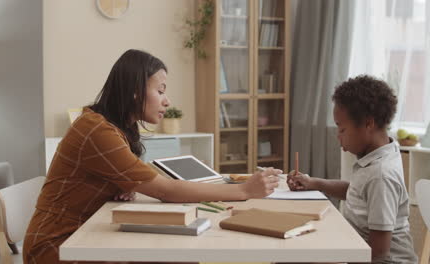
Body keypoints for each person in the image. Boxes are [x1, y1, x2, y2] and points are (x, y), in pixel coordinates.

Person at [23, 49, 281, 264]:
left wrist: (117, 186)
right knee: (172, 256)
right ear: (136, 91)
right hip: (56, 246)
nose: (167, 101)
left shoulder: (112, 128)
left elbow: (148, 184)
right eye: (160, 90)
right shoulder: (97, 130)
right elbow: (165, 190)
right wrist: (244, 190)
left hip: (83, 234)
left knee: (173, 254)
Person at [287, 75, 417, 264]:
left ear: (368, 123)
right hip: (358, 251)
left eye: (342, 129)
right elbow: (356, 191)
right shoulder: (380, 155)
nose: (338, 137)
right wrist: (313, 183)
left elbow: (378, 255)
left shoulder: (381, 176)